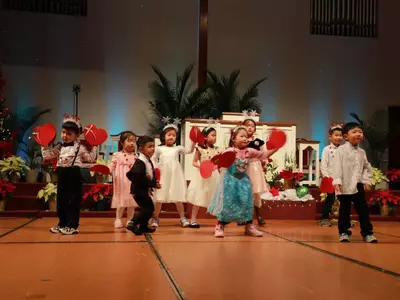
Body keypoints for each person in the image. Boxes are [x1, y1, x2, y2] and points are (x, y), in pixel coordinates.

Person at [208, 126, 278, 238]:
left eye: (246, 137)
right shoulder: (229, 151)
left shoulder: (249, 151)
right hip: (230, 182)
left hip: (243, 182)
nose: (245, 139)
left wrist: (276, 147)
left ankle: (249, 226)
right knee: (227, 204)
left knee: (247, 203)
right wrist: (216, 162)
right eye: (242, 136)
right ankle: (220, 226)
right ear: (233, 139)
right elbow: (218, 162)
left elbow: (265, 154)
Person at [42, 113, 97, 235]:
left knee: (73, 201)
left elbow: (90, 158)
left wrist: (94, 146)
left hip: (74, 174)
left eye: (69, 134)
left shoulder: (80, 147)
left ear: (76, 135)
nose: (65, 136)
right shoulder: (59, 146)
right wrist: (44, 143)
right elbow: (48, 155)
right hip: (62, 173)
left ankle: (72, 225)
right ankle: (62, 223)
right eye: (63, 132)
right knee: (61, 200)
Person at [332, 122, 378, 243]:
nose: (358, 134)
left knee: (363, 210)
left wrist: (367, 181)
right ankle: (344, 232)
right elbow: (337, 167)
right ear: (346, 136)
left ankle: (367, 233)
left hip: (358, 185)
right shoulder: (340, 151)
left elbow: (366, 167)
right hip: (344, 184)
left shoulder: (362, 152)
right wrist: (337, 181)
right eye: (354, 132)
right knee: (344, 211)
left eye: (360, 132)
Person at [150, 122, 195, 228]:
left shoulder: (177, 148)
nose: (171, 137)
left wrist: (194, 140)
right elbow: (153, 158)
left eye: (174, 135)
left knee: (177, 196)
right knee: (159, 197)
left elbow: (189, 150)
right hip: (163, 174)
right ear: (163, 136)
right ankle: (155, 218)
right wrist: (155, 168)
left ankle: (182, 218)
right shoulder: (159, 148)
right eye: (169, 134)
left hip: (175, 174)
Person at [187, 126, 220, 228]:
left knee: (216, 197)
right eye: (212, 135)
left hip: (213, 175)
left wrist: (215, 167)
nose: (214, 138)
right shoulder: (199, 148)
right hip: (202, 176)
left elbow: (218, 162)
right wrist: (203, 167)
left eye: (215, 136)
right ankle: (193, 220)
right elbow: (194, 162)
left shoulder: (216, 149)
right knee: (198, 196)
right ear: (205, 137)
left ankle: (220, 221)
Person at [126, 136, 159, 235]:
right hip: (139, 190)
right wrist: (152, 184)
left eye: (153, 146)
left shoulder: (146, 160)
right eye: (149, 147)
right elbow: (138, 177)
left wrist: (153, 182)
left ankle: (143, 226)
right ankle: (133, 222)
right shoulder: (140, 162)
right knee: (147, 208)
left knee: (149, 208)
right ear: (141, 149)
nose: (152, 149)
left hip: (142, 189)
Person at [108, 131, 137, 229]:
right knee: (121, 201)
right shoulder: (117, 155)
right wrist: (107, 170)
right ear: (122, 143)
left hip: (132, 182)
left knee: (132, 202)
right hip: (121, 181)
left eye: (134, 141)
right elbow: (112, 165)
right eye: (129, 141)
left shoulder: (137, 156)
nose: (132, 143)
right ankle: (118, 218)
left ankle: (130, 220)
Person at [243, 118, 268, 226]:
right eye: (247, 125)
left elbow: (265, 154)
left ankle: (259, 215)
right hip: (243, 168)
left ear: (255, 129)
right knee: (244, 192)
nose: (250, 127)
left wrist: (264, 162)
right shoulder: (241, 141)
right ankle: (245, 217)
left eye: (252, 126)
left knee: (256, 192)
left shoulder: (258, 141)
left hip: (255, 167)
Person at [319, 123, 343, 227]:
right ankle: (324, 218)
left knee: (344, 200)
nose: (338, 137)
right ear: (330, 136)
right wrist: (327, 178)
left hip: (341, 179)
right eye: (336, 135)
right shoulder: (326, 149)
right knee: (330, 199)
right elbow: (323, 164)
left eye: (340, 135)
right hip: (331, 179)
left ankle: (344, 220)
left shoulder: (344, 149)